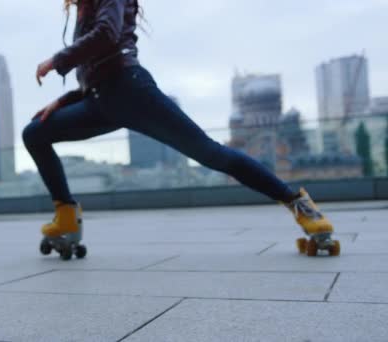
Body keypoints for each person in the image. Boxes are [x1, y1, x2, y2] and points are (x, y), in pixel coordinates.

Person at [22, 0, 339, 256]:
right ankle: (65, 214)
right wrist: (62, 102)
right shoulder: (83, 8)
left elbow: (108, 36)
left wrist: (56, 60)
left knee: (211, 154)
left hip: (131, 92)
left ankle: (300, 205)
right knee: (35, 132)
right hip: (101, 101)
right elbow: (93, 72)